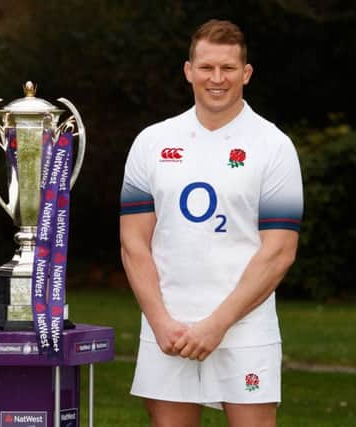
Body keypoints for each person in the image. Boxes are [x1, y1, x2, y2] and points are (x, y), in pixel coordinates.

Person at [120, 19, 303, 427]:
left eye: (228, 68)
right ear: (189, 71)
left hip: (244, 328)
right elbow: (134, 244)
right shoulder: (151, 142)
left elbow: (279, 252)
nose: (216, 79)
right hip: (168, 326)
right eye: (206, 68)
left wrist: (217, 325)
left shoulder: (273, 146)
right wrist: (160, 321)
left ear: (246, 73)